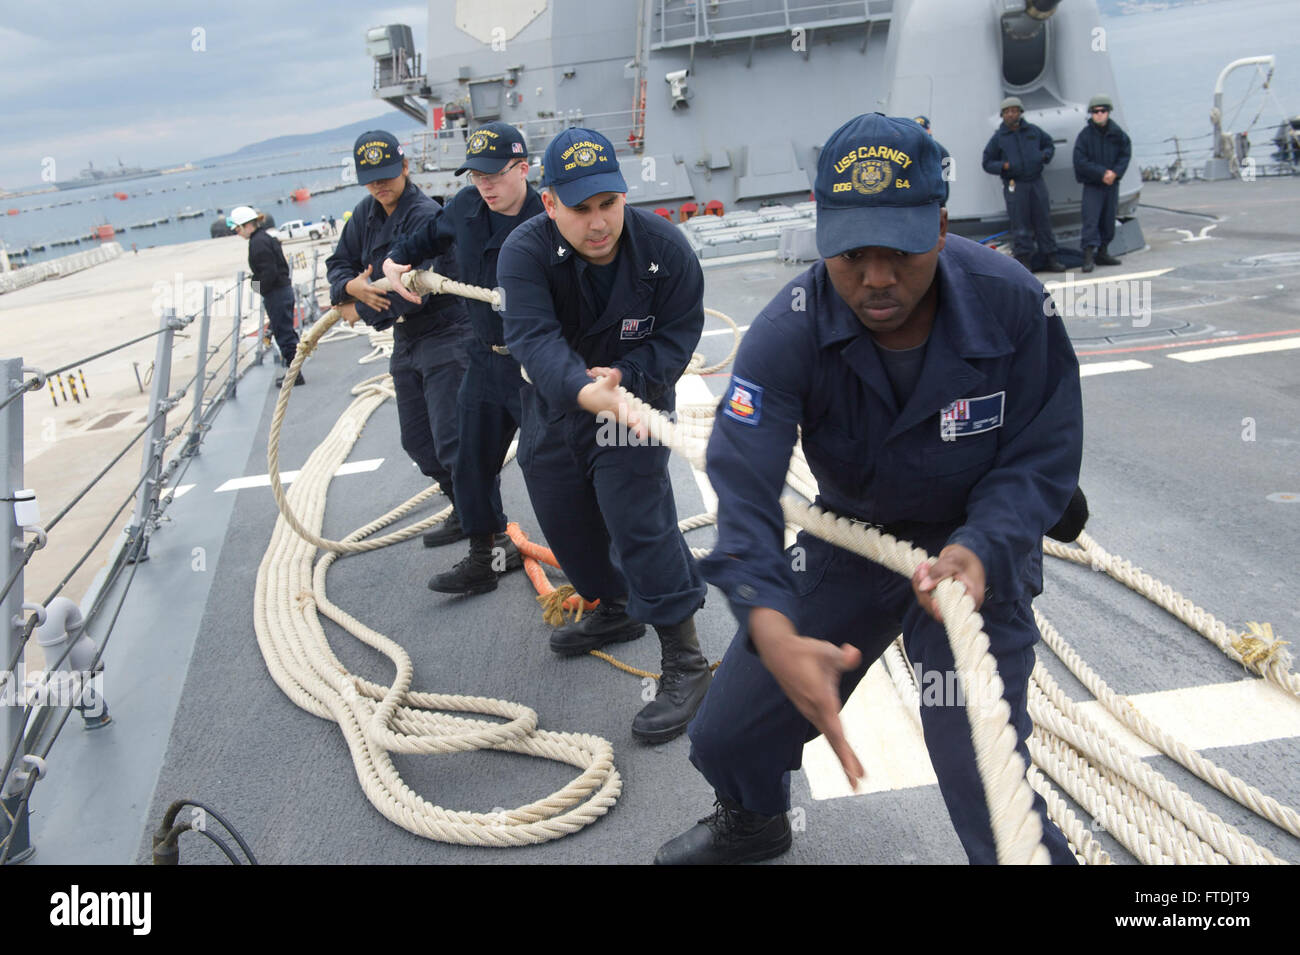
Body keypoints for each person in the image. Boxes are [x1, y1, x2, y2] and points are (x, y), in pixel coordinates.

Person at [655, 113, 1083, 865]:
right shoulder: (787, 331)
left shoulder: (1013, 303)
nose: (877, 277)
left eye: (901, 251)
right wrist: (771, 624)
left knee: (984, 776)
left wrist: (983, 548)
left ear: (942, 227)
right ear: (822, 235)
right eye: (853, 254)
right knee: (727, 732)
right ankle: (755, 819)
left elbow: (1044, 450)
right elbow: (745, 481)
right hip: (853, 540)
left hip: (972, 555)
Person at [494, 128, 711, 743]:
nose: (598, 224)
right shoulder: (524, 253)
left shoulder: (666, 250)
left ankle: (686, 661)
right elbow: (531, 336)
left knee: (640, 524)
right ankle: (611, 609)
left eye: (608, 204)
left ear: (623, 196)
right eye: (581, 208)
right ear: (550, 204)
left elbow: (677, 333)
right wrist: (581, 389)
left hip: (631, 409)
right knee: (567, 523)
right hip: (556, 406)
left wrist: (629, 378)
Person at [382, 121, 542, 591]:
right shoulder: (467, 206)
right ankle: (488, 557)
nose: (484, 184)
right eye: (475, 174)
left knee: (549, 465)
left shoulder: (549, 216)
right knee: (470, 459)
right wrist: (395, 261)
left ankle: (603, 571)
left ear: (522, 169)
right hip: (486, 357)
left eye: (493, 174)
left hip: (538, 364)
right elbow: (426, 237)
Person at [325, 130, 471, 542]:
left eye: (387, 174)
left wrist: (357, 309)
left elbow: (413, 290)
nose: (379, 184)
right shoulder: (364, 215)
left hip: (446, 332)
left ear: (406, 167)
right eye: (370, 177)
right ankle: (462, 507)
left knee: (452, 440)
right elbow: (339, 262)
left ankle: (486, 532)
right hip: (406, 341)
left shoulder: (424, 214)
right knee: (418, 442)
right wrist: (349, 290)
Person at [982, 96, 1064, 273]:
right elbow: (987, 162)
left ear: (1020, 112)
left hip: (1036, 182)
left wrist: (1044, 156)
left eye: (1014, 111)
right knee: (1020, 224)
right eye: (1007, 112)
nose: (1011, 114)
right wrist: (1004, 166)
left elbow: (1049, 145)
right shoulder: (999, 138)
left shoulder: (1033, 131)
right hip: (1015, 185)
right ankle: (1025, 260)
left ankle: (1051, 257)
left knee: (1043, 220)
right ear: (1003, 115)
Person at [231, 204, 302, 386]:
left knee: (283, 334)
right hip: (283, 290)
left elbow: (267, 273)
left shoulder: (258, 243)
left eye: (238, 228)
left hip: (276, 293)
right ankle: (294, 371)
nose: (237, 233)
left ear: (247, 225)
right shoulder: (266, 238)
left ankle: (295, 376)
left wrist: (255, 287)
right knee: (286, 332)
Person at [1073, 94, 1131, 273]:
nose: (1099, 114)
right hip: (1093, 185)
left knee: (1108, 219)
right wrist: (1101, 173)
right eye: (1096, 112)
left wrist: (1115, 173)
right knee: (1091, 220)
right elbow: (1080, 160)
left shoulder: (1117, 133)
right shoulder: (1085, 136)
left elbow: (1125, 154)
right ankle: (1088, 256)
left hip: (1111, 184)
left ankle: (1103, 252)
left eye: (1103, 111)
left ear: (1108, 112)